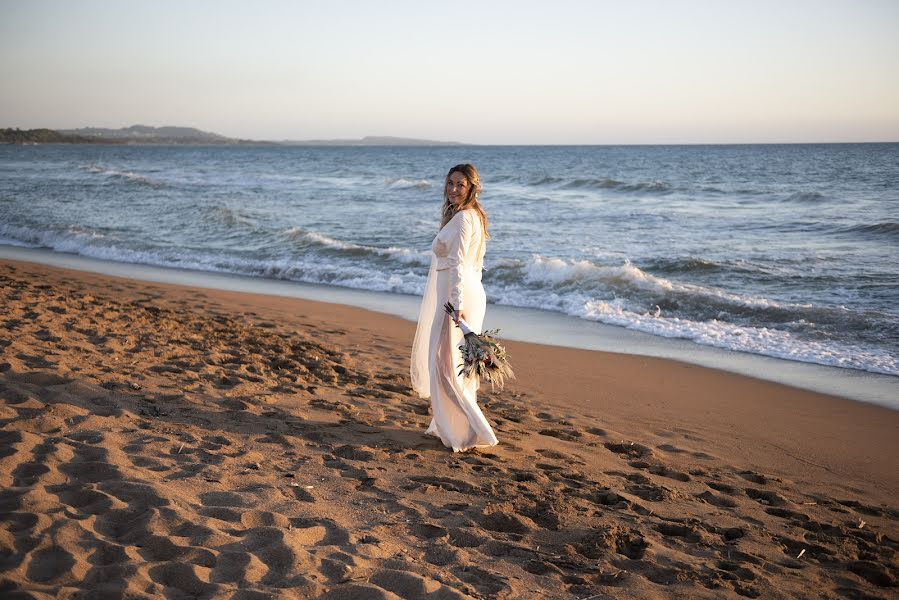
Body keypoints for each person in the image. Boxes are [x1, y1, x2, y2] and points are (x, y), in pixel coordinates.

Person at [411, 164, 499, 452]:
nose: (453, 189)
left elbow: (461, 264)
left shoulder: (463, 220)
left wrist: (458, 307)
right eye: (450, 183)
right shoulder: (471, 216)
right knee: (456, 364)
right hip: (466, 294)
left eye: (460, 184)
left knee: (444, 363)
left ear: (471, 187)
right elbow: (475, 265)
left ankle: (470, 430)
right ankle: (447, 424)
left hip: (456, 299)